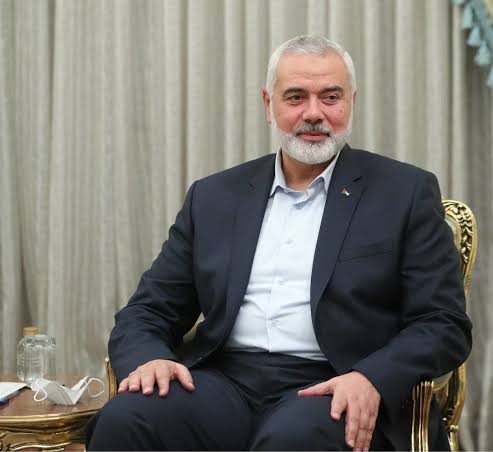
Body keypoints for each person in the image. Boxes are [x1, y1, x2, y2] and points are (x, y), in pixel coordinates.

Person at [86, 34, 472, 451]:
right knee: (127, 419)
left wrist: (371, 377)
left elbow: (443, 323)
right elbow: (149, 309)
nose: (314, 113)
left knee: (293, 439)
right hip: (224, 382)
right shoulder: (214, 196)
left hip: (337, 382)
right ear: (268, 105)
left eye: (330, 97)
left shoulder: (404, 192)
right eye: (295, 97)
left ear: (351, 102)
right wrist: (148, 359)